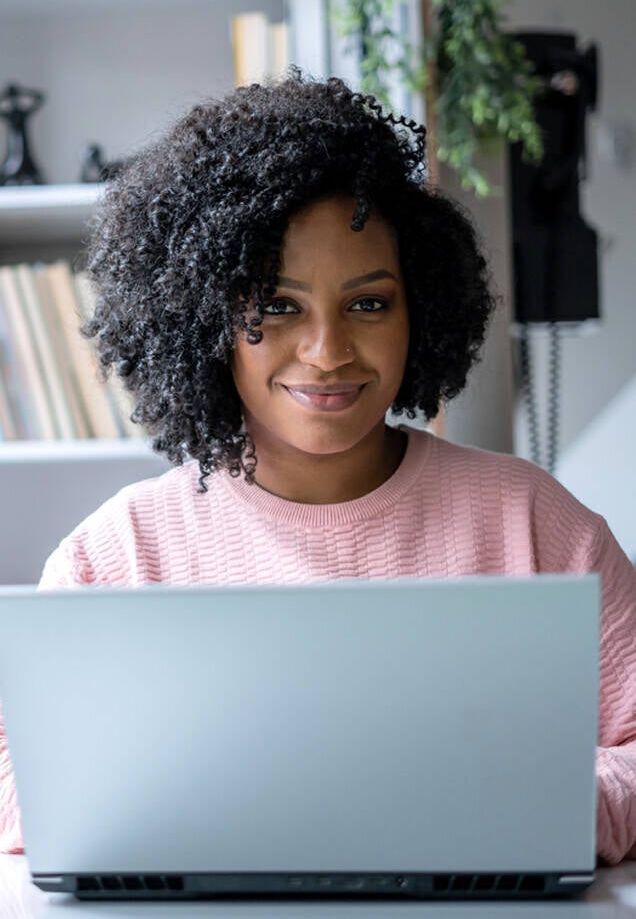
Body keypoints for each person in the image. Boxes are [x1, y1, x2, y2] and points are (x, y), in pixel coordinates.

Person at [1, 73, 635, 862]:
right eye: (276, 305)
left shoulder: (530, 519)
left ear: (422, 309)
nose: (328, 351)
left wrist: (549, 810)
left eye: (369, 304)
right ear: (207, 321)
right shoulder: (118, 555)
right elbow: (18, 784)